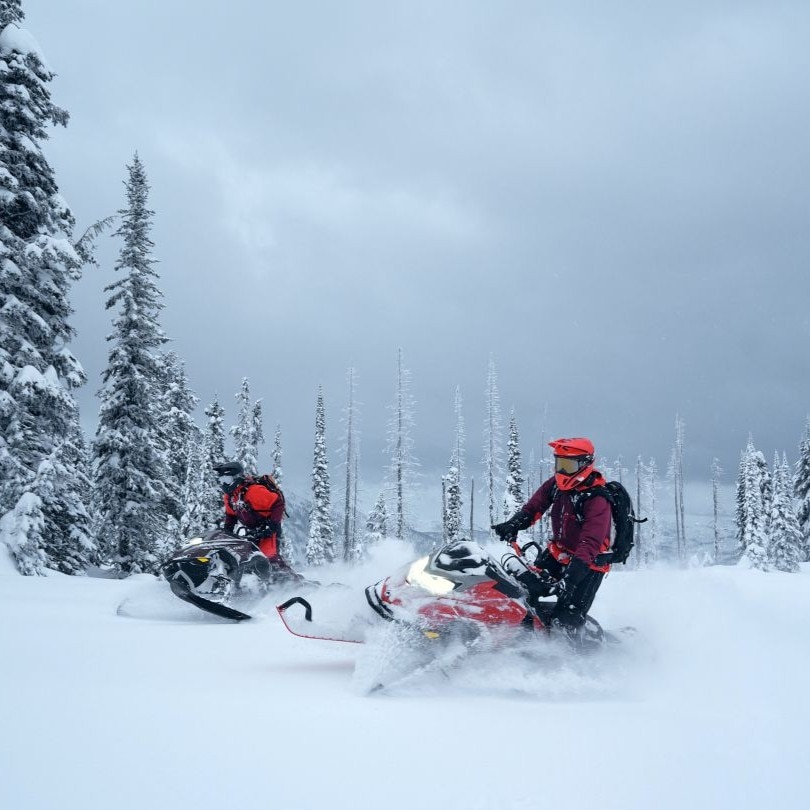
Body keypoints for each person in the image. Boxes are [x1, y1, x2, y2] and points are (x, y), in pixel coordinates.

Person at [492, 437, 612, 631]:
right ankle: (522, 636)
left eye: (568, 465)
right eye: (560, 464)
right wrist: (513, 524)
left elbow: (591, 542)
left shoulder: (597, 499)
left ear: (585, 464)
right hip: (558, 553)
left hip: (588, 564)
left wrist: (571, 578)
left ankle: (576, 656)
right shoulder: (556, 485)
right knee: (522, 592)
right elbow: (533, 508)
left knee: (566, 621)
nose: (562, 471)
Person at [213, 460, 295, 580]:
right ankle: (255, 586)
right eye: (221, 480)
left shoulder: (253, 491)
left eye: (227, 480)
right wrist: (226, 533)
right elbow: (231, 516)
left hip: (268, 527)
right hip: (252, 530)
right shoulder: (230, 496)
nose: (224, 484)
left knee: (269, 557)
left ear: (236, 478)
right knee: (247, 558)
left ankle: (294, 583)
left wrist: (272, 525)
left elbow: (277, 502)